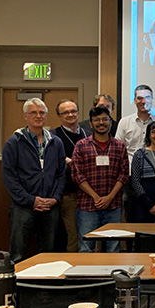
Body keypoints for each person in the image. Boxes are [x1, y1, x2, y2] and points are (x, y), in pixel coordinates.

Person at [1, 98, 66, 263]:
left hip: (50, 205)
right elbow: (9, 176)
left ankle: (43, 288)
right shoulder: (14, 142)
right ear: (25, 116)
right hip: (23, 206)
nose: (38, 116)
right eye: (34, 113)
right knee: (18, 252)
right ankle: (17, 288)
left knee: (48, 253)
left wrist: (55, 198)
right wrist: (30, 200)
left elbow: (60, 173)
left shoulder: (55, 142)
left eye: (42, 113)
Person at [71, 106, 129, 252]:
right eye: (96, 120)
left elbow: (123, 174)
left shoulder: (120, 146)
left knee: (114, 247)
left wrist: (109, 197)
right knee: (86, 247)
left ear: (110, 122)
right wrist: (96, 197)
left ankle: (112, 275)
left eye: (104, 119)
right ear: (90, 123)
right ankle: (87, 275)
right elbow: (77, 175)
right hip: (87, 206)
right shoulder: (81, 146)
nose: (101, 123)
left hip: (114, 206)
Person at [52, 99, 87, 252]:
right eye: (65, 112)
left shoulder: (89, 134)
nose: (70, 114)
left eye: (73, 111)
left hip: (89, 194)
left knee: (89, 235)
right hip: (69, 192)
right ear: (59, 116)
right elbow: (48, 159)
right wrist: (64, 160)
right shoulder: (53, 136)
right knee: (72, 235)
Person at [115, 84, 155, 164]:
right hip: (130, 170)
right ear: (134, 100)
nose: (144, 101)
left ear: (152, 99)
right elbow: (118, 149)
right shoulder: (124, 122)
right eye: (140, 98)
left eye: (147, 98)